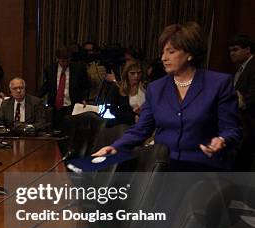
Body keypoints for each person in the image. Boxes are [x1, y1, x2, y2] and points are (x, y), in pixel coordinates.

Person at [93, 22, 241, 171]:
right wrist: (115, 147)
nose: (163, 58)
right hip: (161, 164)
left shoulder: (218, 84)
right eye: (162, 52)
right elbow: (141, 129)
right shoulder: (156, 88)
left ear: (190, 53)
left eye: (171, 52)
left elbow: (232, 129)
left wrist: (222, 140)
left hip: (202, 165)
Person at [37, 46, 90, 130]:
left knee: (71, 129)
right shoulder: (50, 69)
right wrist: (36, 98)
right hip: (55, 106)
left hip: (72, 104)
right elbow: (47, 85)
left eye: (67, 60)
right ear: (57, 59)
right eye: (62, 61)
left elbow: (85, 85)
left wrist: (84, 98)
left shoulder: (79, 69)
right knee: (56, 129)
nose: (65, 63)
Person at [228, 34, 255, 170]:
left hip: (249, 124)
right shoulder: (240, 68)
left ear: (247, 50)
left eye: (235, 49)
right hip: (239, 123)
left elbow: (251, 97)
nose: (232, 53)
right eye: (230, 50)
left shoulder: (253, 67)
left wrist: (242, 100)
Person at [107, 61, 147, 125]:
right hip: (125, 124)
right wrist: (132, 117)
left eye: (139, 73)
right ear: (126, 74)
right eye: (132, 73)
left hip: (145, 122)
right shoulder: (117, 88)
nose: (136, 76)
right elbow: (113, 110)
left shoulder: (146, 87)